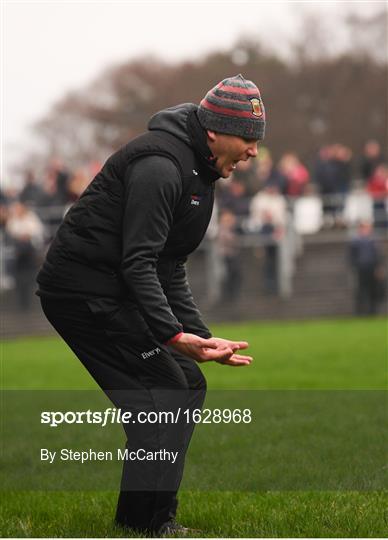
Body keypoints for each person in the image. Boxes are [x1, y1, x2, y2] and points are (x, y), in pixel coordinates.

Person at [36, 74, 265, 536]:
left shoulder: (201, 171)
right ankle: (145, 525)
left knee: (188, 384)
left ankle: (151, 519)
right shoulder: (162, 166)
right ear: (215, 132)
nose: (254, 151)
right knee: (164, 393)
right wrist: (173, 336)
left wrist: (198, 337)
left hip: (114, 288)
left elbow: (169, 265)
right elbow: (139, 262)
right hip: (82, 293)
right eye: (247, 138)